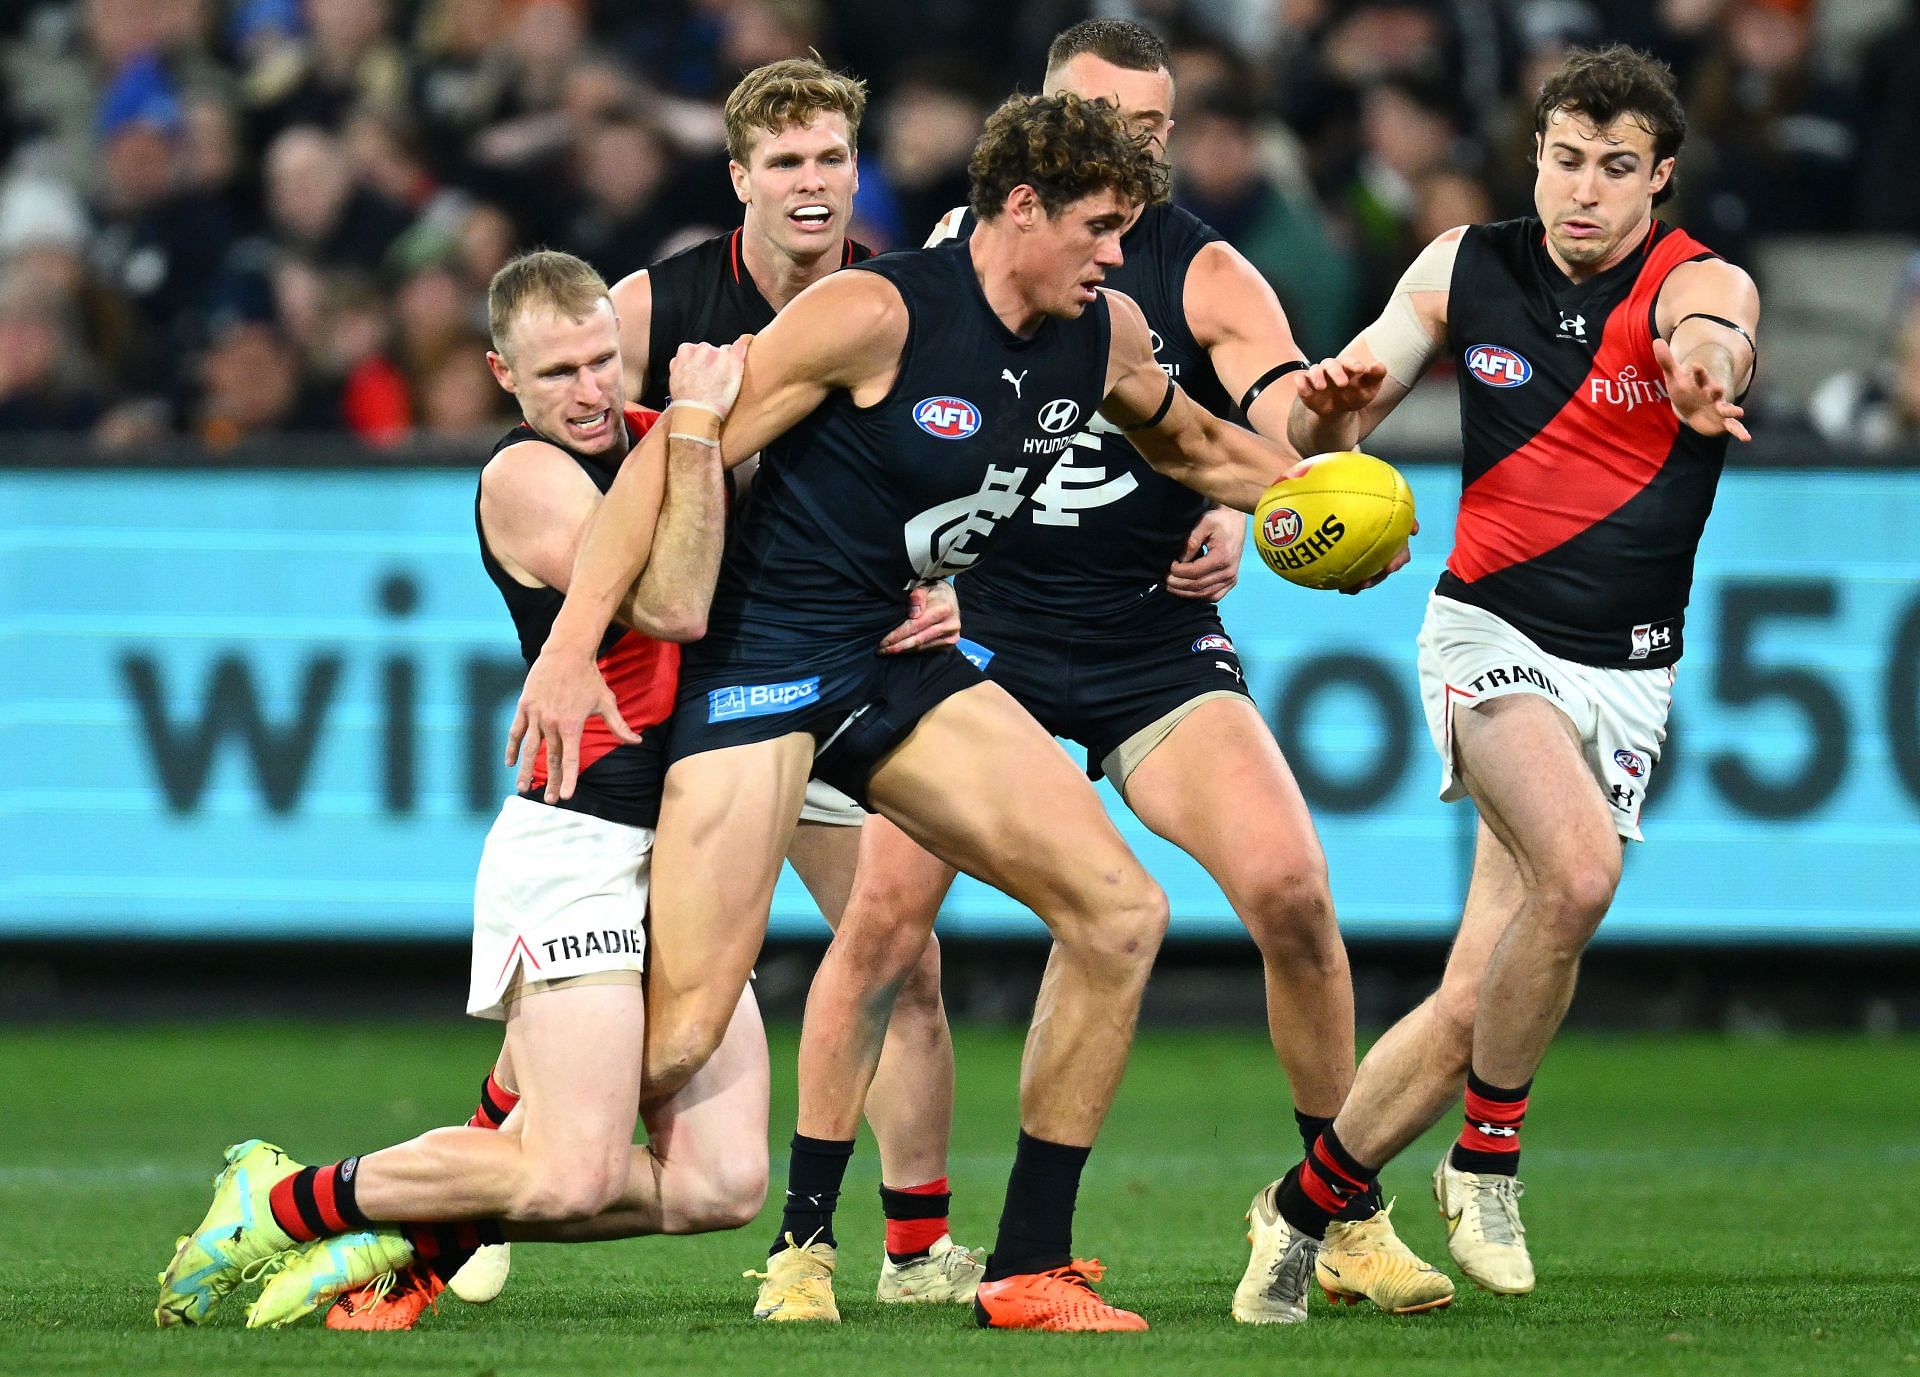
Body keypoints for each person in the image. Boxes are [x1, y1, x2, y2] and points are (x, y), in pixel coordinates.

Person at [509, 91, 1357, 1332]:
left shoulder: (1098, 332)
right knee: (680, 1037)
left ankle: (1026, 1269)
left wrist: (1326, 491)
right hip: (759, 670)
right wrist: (573, 646)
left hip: (891, 655)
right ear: (1023, 209)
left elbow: (1192, 445)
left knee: (1121, 915)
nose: (1120, 257)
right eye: (1101, 228)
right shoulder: (874, 311)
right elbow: (665, 456)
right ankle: (419, 1196)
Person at [751, 17, 1449, 1328]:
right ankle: (806, 1242)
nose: (1127, 149)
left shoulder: (1188, 273)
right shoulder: (930, 285)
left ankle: (1339, 1215)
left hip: (1148, 643)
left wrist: (1310, 465)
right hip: (982, 644)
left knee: (1294, 893)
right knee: (887, 925)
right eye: (1101, 120)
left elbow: (1254, 412)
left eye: (1150, 128)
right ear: (1039, 132)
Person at [150, 248, 944, 1332]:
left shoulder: (672, 434)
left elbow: (826, 529)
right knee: (567, 1172)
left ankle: (401, 1236)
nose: (590, 390)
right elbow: (672, 601)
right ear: (503, 375)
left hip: (682, 853)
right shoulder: (523, 477)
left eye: (603, 362)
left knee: (720, 1187)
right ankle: (286, 1201)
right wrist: (703, 438)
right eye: (559, 370)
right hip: (579, 841)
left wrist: (924, 591)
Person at [441, 55, 981, 1320]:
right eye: (784, 163)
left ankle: (908, 1249)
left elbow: (967, 464)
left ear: (859, 173)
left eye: (831, 160)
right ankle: (489, 1156)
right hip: (712, 694)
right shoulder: (654, 305)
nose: (811, 184)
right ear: (739, 179)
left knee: (904, 955)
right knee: (673, 1027)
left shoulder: (901, 300)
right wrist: (571, 640)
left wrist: (966, 580)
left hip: (843, 667)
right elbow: (573, 458)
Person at [1234, 43, 1759, 1321]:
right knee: (1580, 873)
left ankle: (1299, 1215)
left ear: (1660, 178)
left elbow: (1716, 335)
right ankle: (1488, 1159)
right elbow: (1325, 415)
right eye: (1566, 159)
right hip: (1488, 636)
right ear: (1537, 157)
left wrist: (1708, 369)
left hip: (1630, 671)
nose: (1586, 189)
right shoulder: (1466, 264)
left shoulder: (1700, 284)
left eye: (1617, 168)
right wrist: (1330, 411)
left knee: (1481, 991)